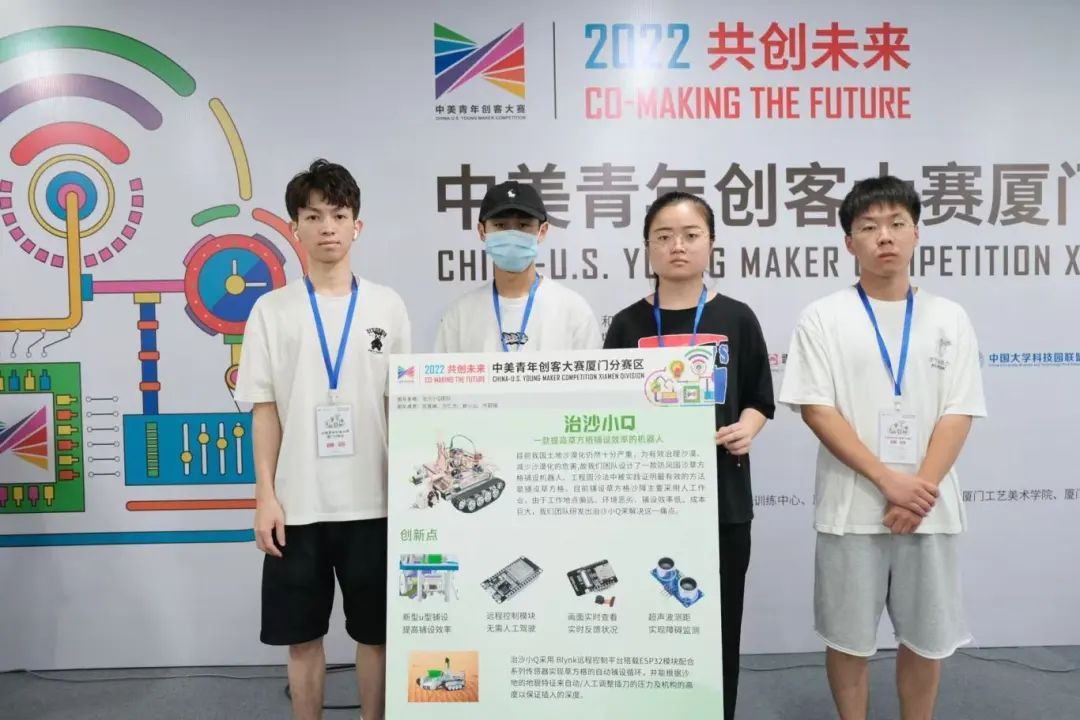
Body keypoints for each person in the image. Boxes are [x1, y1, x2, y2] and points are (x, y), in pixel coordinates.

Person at [778, 175, 987, 720]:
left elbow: (959, 409)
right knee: (848, 640)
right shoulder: (822, 317)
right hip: (850, 508)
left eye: (897, 223)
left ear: (917, 233)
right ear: (850, 242)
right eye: (869, 227)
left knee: (926, 639)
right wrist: (888, 480)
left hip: (928, 509)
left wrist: (919, 489)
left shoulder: (950, 317)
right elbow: (817, 409)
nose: (885, 236)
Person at [235, 159, 411, 720]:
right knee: (302, 637)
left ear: (357, 225)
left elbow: (401, 406)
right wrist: (265, 497)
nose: (327, 227)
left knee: (377, 635)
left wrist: (410, 498)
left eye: (338, 214)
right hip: (298, 506)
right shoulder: (271, 310)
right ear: (295, 228)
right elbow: (264, 410)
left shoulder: (387, 306)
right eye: (313, 216)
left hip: (375, 504)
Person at [603, 190, 775, 720]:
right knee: (648, 625)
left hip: (722, 501)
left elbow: (759, 398)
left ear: (711, 243)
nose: (677, 246)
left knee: (718, 625)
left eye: (690, 235)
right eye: (664, 236)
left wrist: (747, 428)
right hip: (646, 502)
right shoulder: (626, 325)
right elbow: (607, 410)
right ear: (647, 248)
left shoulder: (736, 317)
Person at [434, 180, 601, 352]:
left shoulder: (574, 312)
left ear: (542, 231)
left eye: (523, 225)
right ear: (482, 231)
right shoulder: (459, 317)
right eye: (500, 225)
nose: (512, 235)